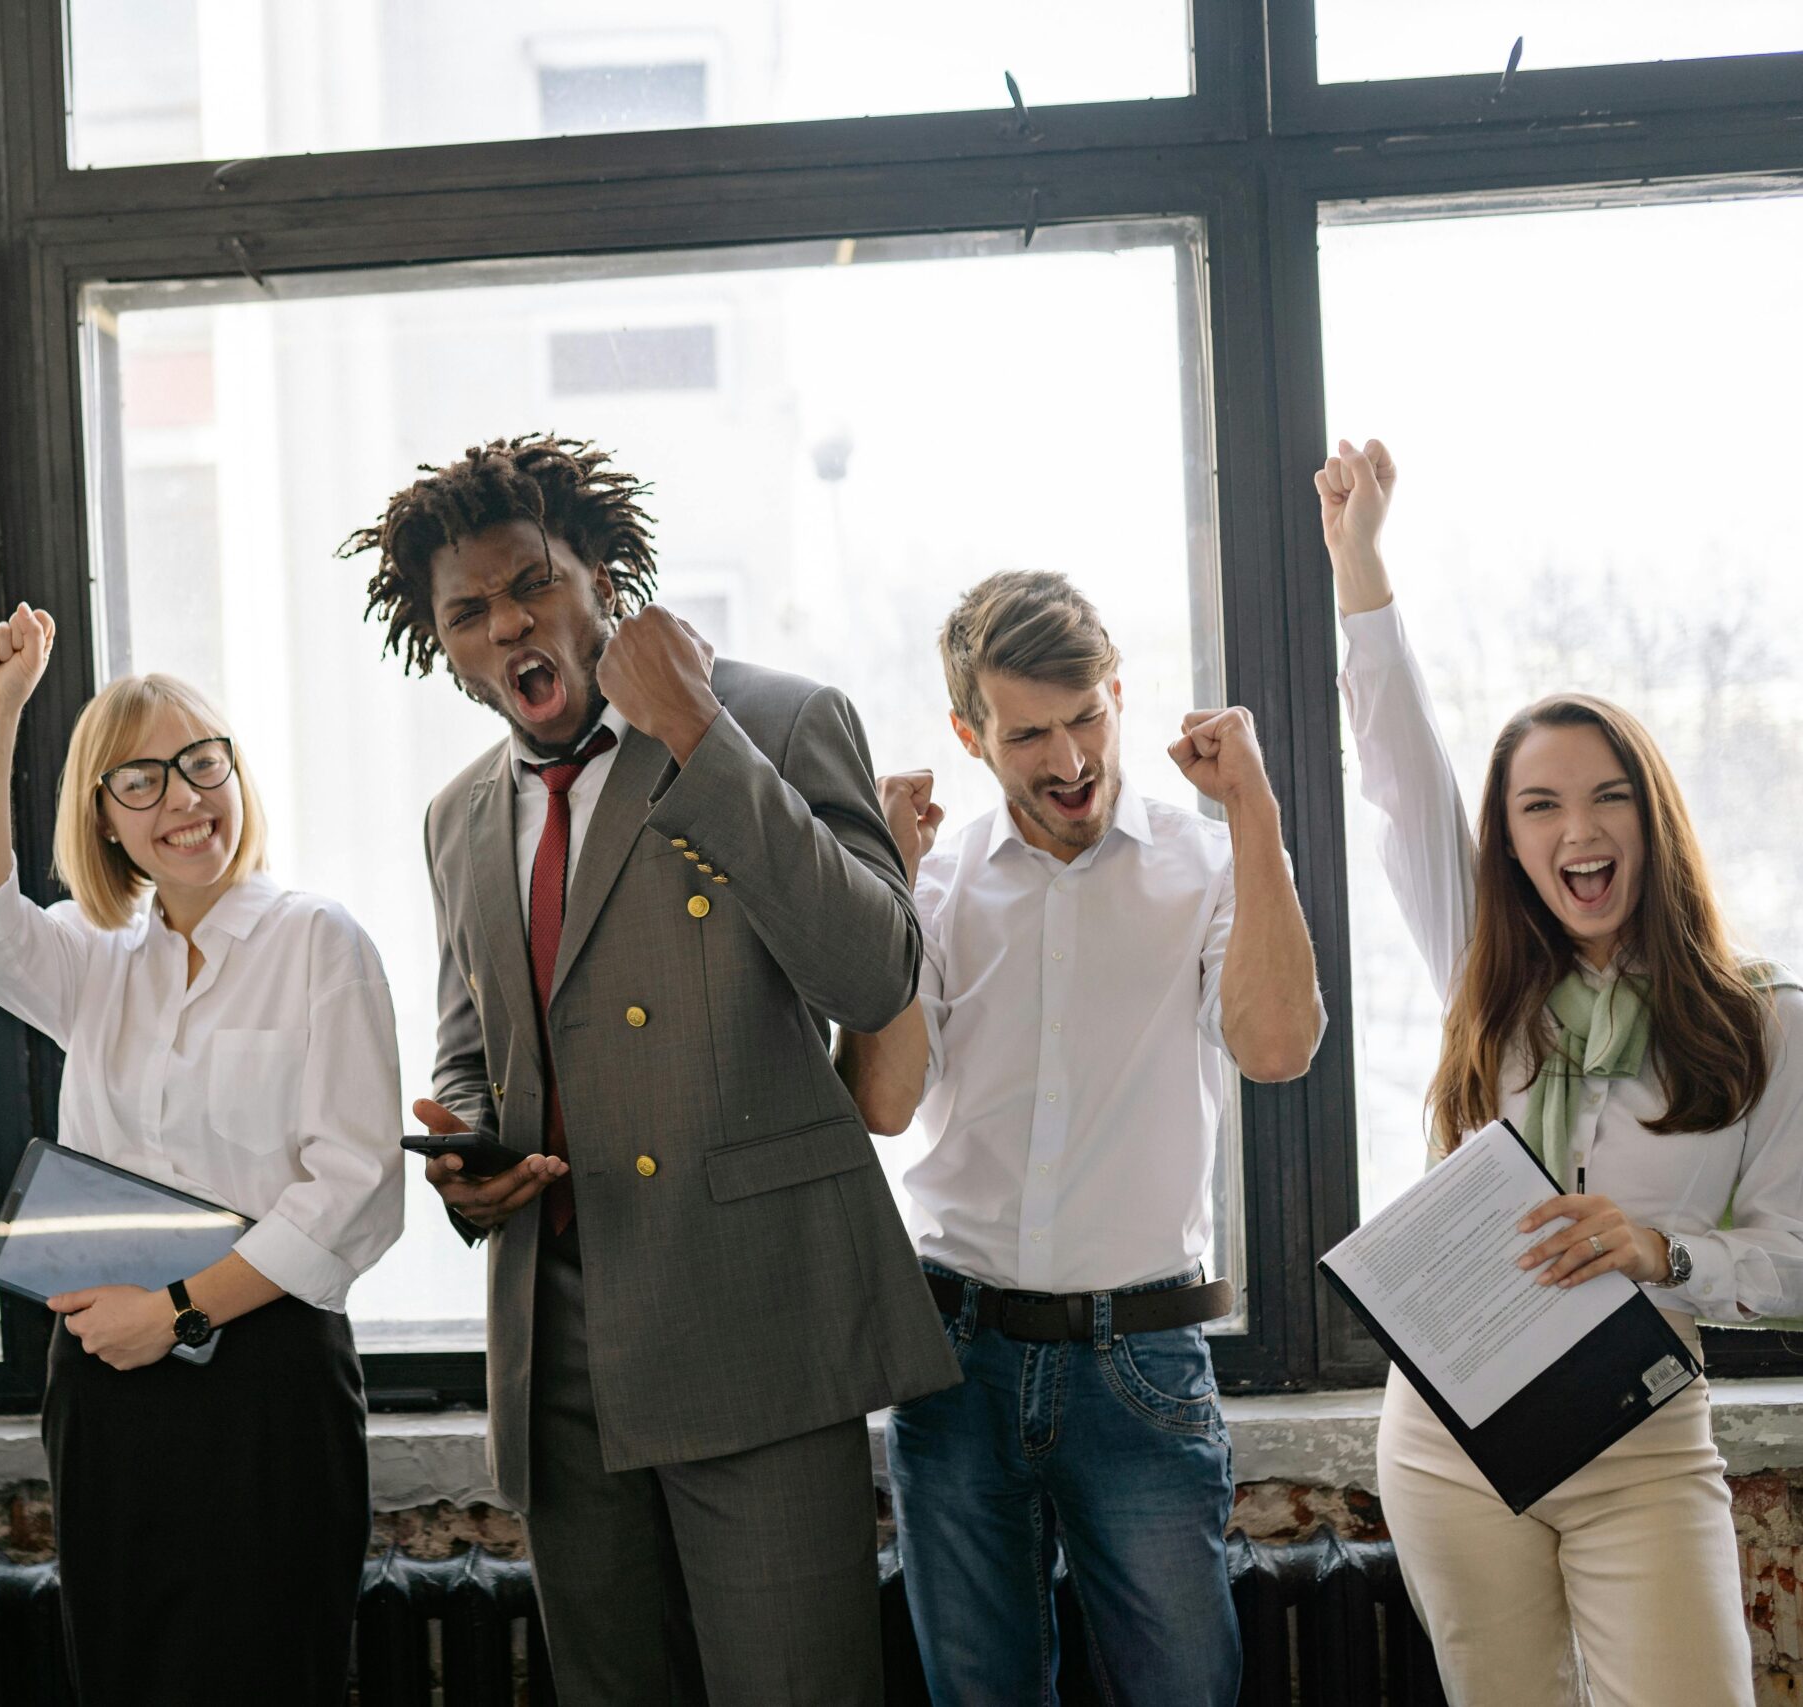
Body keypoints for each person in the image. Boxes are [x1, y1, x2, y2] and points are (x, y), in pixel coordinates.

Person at [338, 434, 957, 1705]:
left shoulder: (777, 720)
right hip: (557, 1346)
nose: (510, 622)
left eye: (534, 585)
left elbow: (873, 972)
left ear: (603, 578)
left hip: (756, 1323)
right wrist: (470, 1167)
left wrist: (694, 727)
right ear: (440, 645)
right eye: (470, 611)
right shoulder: (457, 815)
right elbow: (478, 1046)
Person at [1326, 436, 1798, 1704]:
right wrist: (1358, 567)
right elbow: (1397, 769)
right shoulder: (1479, 968)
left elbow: (1799, 1254)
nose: (1576, 831)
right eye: (1537, 806)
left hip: (1640, 1435)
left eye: (1605, 799)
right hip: (1449, 1437)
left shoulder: (1759, 1020)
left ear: (1652, 817)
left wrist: (1661, 1250)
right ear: (1509, 840)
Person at [835, 569, 1323, 1706]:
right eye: (1029, 735)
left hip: (1142, 1364)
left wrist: (1252, 809)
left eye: (1089, 719)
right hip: (952, 1361)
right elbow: (885, 1104)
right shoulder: (939, 884)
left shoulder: (1207, 863)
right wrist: (886, 892)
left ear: (1118, 694)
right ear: (969, 734)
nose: (1068, 762)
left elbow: (1276, 1048)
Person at [0, 609, 402, 1705]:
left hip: (266, 1377)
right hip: (108, 1383)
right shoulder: (98, 962)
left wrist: (177, 1310)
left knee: (277, 1671)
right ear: (106, 819)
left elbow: (352, 1190)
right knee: (129, 1672)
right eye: (141, 782)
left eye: (200, 763)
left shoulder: (319, 941)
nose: (183, 799)